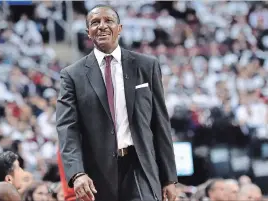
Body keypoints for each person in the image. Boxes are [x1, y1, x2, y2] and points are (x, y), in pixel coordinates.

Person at [56, 4, 177, 201]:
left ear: (119, 29)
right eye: (95, 23)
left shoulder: (147, 65)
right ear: (88, 32)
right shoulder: (72, 75)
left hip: (141, 167)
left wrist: (169, 178)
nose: (102, 26)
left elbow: (160, 124)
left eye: (108, 21)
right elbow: (67, 128)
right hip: (97, 174)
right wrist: (77, 173)